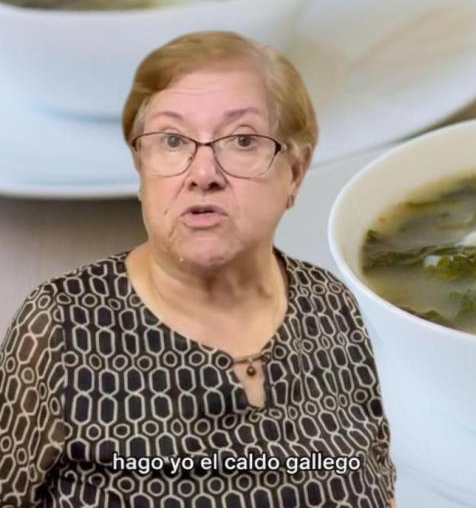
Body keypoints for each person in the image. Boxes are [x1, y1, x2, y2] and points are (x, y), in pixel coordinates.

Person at [0, 31, 396, 507]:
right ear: (140, 167)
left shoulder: (332, 304)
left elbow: (376, 482)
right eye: (171, 140)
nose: (203, 172)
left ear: (295, 170)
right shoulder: (64, 322)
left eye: (242, 140)